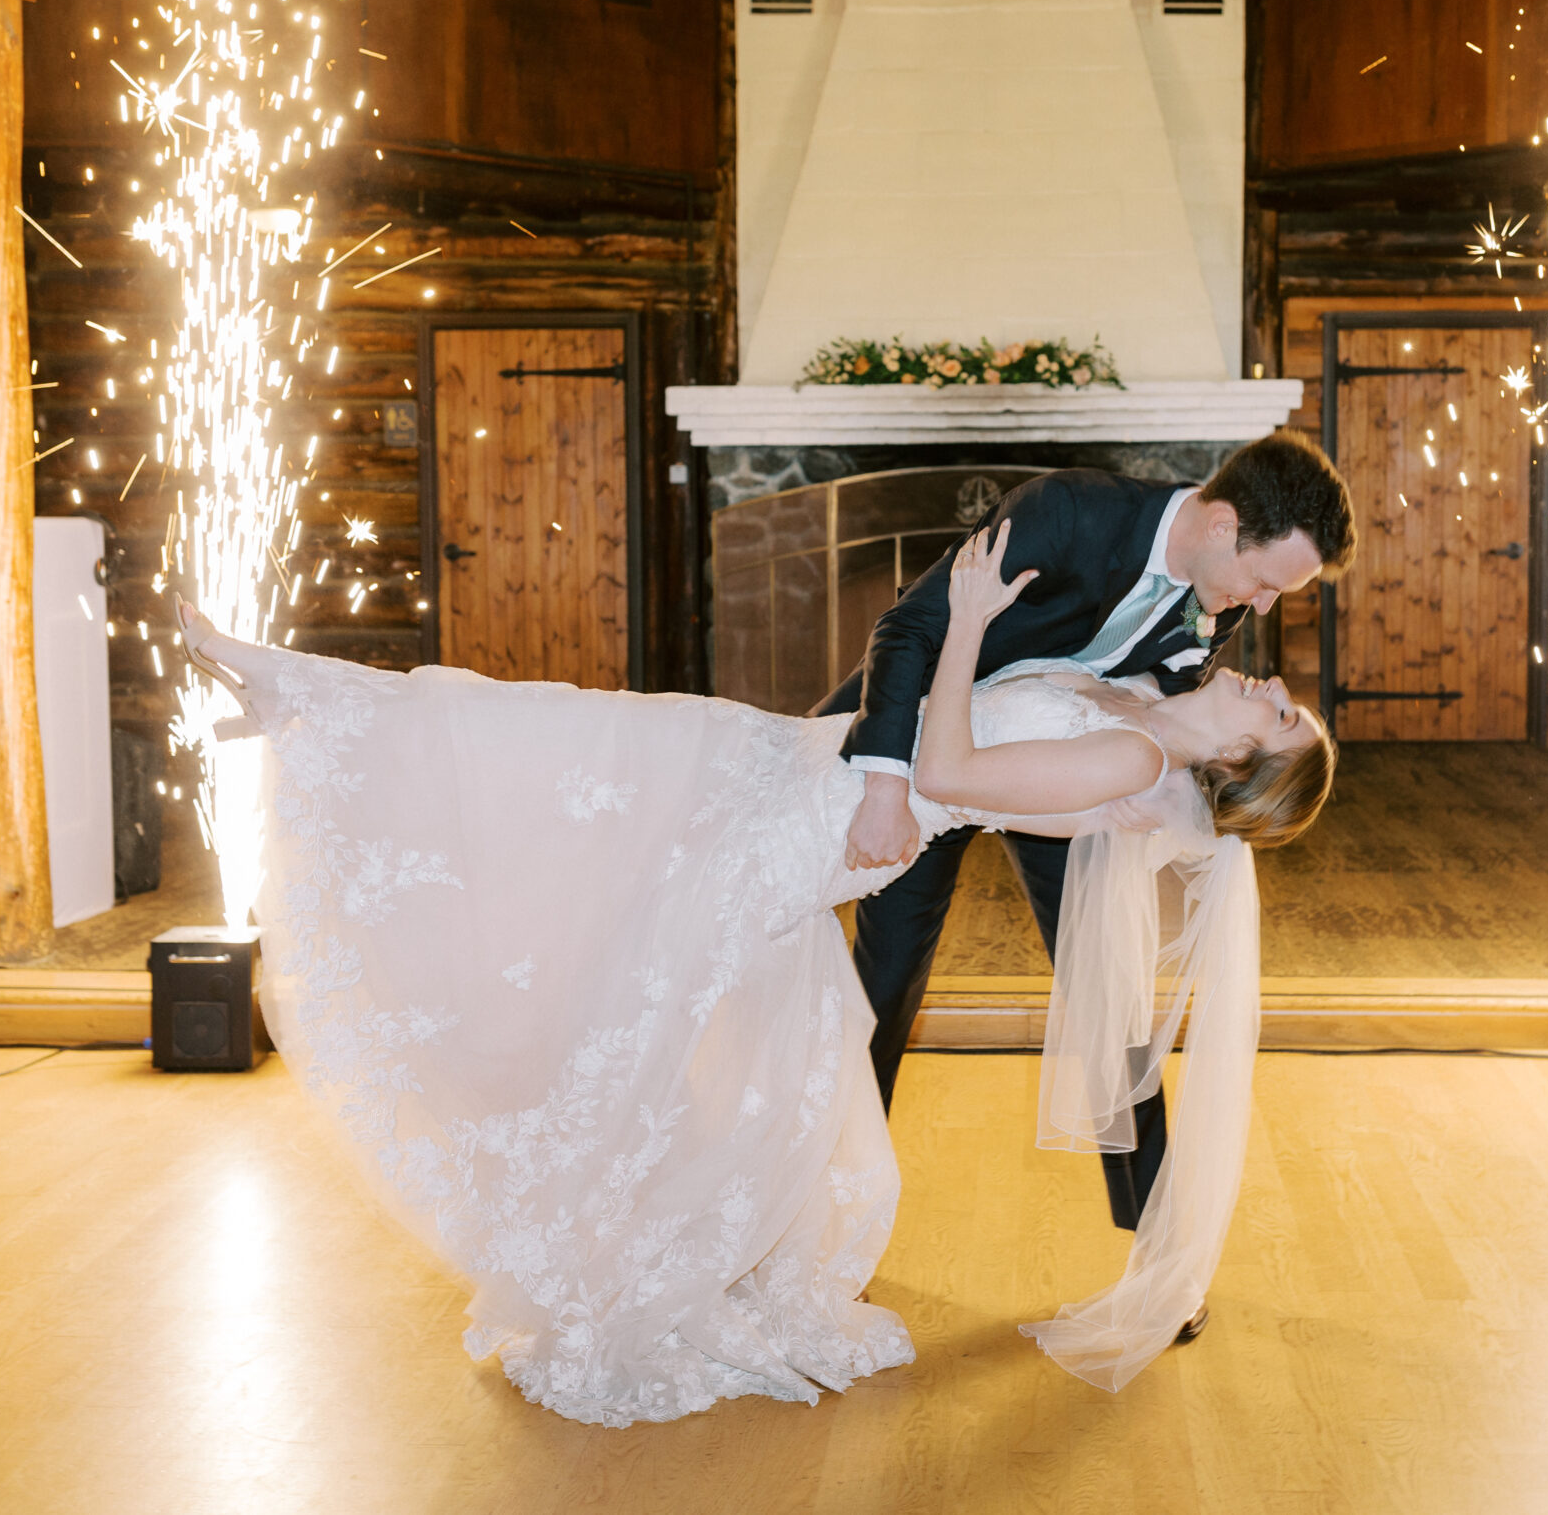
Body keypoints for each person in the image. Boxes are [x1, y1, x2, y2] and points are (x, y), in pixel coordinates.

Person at [177, 502, 1334, 1428]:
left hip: (806, 829)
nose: (1272, 680)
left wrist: (973, 615)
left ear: (1241, 757)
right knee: (578, 746)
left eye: (1280, 715)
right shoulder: (1147, 715)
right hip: (789, 767)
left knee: (576, 820)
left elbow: (952, 767)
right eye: (1284, 694)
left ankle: (315, 721)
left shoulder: (1125, 757)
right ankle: (305, 708)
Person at [816, 433, 1356, 1248]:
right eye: (1266, 580)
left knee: (1111, 991)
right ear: (1221, 528)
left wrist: (1139, 782)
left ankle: (1157, 1247)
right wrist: (886, 787)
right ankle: (831, 1221)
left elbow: (1169, 701)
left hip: (1063, 770)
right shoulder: (1068, 513)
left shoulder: (1225, 592)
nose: (1265, 605)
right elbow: (909, 628)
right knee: (882, 989)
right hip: (920, 752)